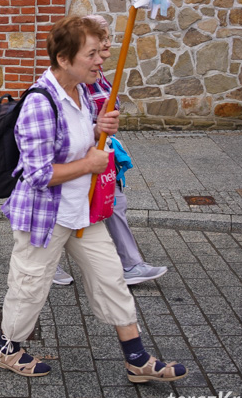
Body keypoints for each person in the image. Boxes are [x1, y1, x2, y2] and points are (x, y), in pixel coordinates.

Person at [0, 16, 187, 383]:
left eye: (102, 52)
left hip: (84, 212)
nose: (101, 61)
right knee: (30, 285)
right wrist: (89, 163)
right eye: (91, 54)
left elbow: (78, 142)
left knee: (111, 278)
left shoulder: (82, 92)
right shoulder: (40, 101)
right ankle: (7, 349)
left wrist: (98, 130)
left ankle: (137, 360)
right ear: (64, 59)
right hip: (45, 217)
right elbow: (37, 174)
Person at [53, 15, 167, 287]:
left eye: (106, 38)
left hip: (101, 150)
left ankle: (129, 265)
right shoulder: (75, 78)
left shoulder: (98, 74)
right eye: (99, 40)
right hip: (83, 153)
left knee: (113, 202)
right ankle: (48, 260)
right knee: (67, 205)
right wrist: (96, 129)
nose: (106, 44)